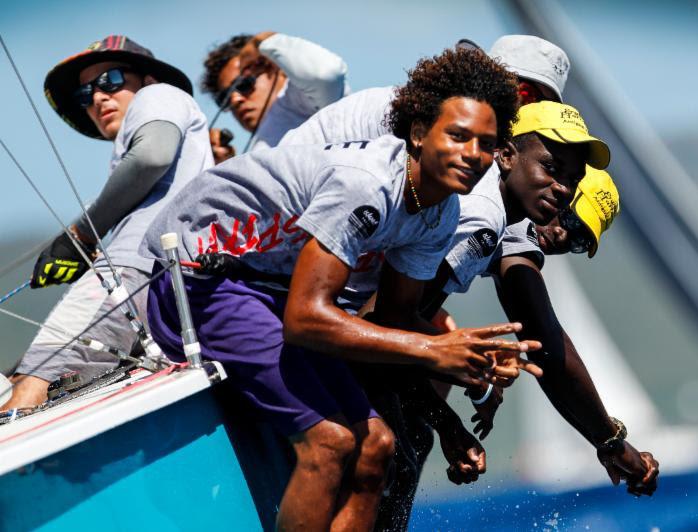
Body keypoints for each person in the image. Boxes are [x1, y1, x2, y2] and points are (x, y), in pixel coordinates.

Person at [277, 36, 658, 529]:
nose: (560, 229)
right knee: (396, 430)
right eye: (551, 165)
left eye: (578, 237)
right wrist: (452, 418)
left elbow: (532, 328)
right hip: (282, 275)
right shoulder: (474, 178)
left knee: (429, 374)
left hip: (319, 279)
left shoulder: (491, 186)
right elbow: (388, 315)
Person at [140, 47, 527, 531]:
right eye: (458, 136)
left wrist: (475, 354)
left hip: (267, 289)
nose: (473, 155)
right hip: (200, 278)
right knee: (329, 443)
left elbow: (393, 317)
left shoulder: (441, 211)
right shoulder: (365, 186)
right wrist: (432, 348)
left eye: (487, 144)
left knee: (377, 445)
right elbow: (305, 321)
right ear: (418, 133)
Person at [1, 36, 213, 411]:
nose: (97, 98)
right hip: (167, 276)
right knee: (41, 390)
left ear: (146, 80)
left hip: (135, 271)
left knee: (30, 387)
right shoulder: (143, 141)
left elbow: (151, 157)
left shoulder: (158, 94)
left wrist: (79, 234)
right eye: (85, 95)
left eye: (110, 80)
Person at [201, 31, 348, 163]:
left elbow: (326, 73)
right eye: (224, 98)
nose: (235, 100)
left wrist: (262, 42)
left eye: (243, 84)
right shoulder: (260, 143)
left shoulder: (299, 98)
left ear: (273, 68)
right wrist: (226, 164)